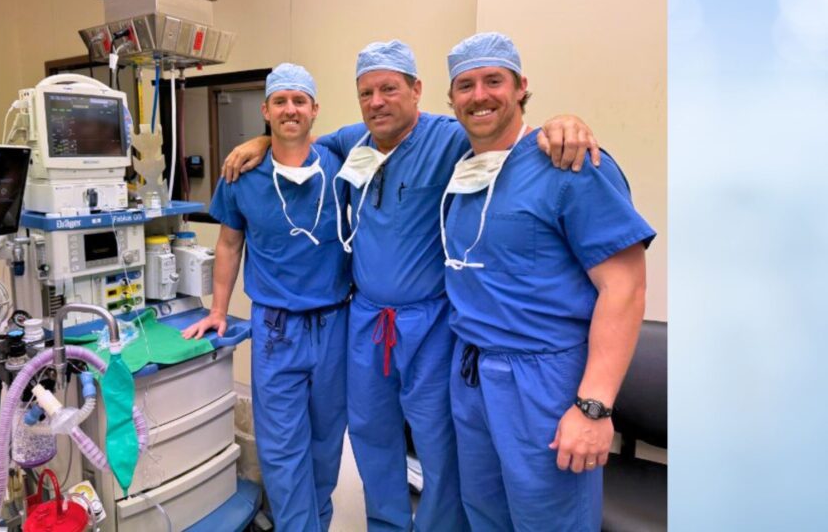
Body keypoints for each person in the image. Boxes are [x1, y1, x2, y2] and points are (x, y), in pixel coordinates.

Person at [221, 41, 600, 531]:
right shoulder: (351, 142)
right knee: (371, 435)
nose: (378, 101)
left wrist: (562, 122)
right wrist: (257, 142)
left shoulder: (449, 138)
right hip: (365, 318)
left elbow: (507, 133)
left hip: (432, 321)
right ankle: (387, 525)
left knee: (439, 441)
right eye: (367, 92)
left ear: (417, 90)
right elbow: (298, 143)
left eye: (390, 89)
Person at [440, 32, 656, 530]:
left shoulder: (571, 165)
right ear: (450, 99)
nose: (479, 96)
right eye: (465, 85)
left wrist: (593, 407)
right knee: (485, 515)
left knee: (549, 520)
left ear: (521, 88)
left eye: (494, 80)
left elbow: (624, 288)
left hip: (545, 383)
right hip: (472, 371)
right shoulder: (464, 168)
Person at [182, 63, 351, 531]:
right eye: (280, 101)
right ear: (265, 110)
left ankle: (315, 520)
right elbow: (229, 244)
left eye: (299, 100)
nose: (290, 109)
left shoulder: (342, 166)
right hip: (277, 329)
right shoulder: (242, 176)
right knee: (280, 446)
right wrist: (218, 310)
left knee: (325, 440)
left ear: (315, 109)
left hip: (336, 322)